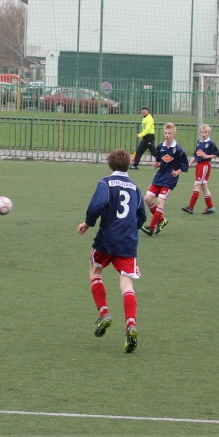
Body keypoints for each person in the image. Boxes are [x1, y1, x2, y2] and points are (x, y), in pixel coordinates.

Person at [78, 149, 147, 353]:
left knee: (95, 270)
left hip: (107, 237)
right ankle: (131, 325)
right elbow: (142, 215)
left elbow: (96, 206)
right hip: (128, 241)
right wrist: (129, 228)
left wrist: (88, 223)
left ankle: (104, 313)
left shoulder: (106, 182)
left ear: (110, 165)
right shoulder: (135, 188)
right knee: (127, 283)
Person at [140, 123, 189, 236]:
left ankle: (151, 227)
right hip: (159, 176)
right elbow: (159, 161)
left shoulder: (178, 150)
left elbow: (184, 165)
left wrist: (178, 172)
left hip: (170, 179)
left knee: (160, 201)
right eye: (166, 133)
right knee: (147, 198)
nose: (167, 135)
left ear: (174, 134)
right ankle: (162, 220)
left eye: (169, 133)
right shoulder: (160, 147)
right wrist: (157, 164)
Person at [182, 124, 219, 215]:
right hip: (199, 165)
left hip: (205, 165)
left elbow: (217, 154)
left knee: (197, 185)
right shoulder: (199, 142)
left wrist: (207, 156)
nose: (204, 134)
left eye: (206, 132)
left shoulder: (210, 143)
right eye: (202, 132)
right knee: (203, 186)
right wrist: (190, 163)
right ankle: (211, 207)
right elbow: (196, 155)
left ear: (209, 133)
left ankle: (191, 207)